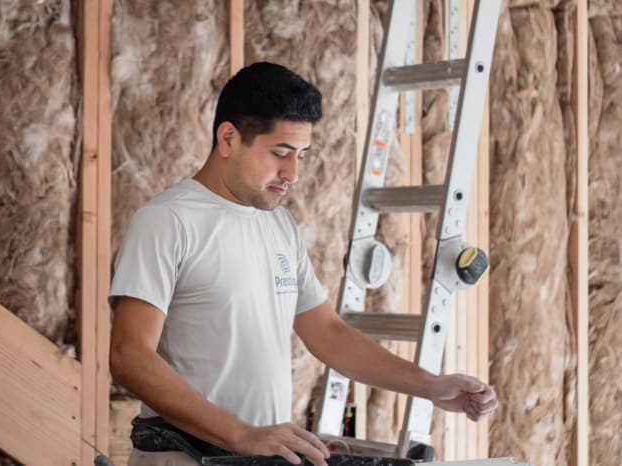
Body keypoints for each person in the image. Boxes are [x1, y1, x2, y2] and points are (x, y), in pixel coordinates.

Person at [109, 62, 497, 466]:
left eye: (301, 155)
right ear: (228, 138)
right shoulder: (167, 222)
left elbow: (328, 333)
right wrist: (242, 434)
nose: (292, 173)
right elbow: (129, 356)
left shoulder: (279, 225)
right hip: (184, 458)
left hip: (258, 458)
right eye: (280, 153)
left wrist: (430, 386)